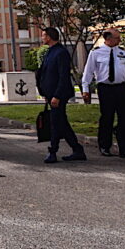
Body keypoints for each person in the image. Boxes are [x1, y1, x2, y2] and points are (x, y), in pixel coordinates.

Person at [81, 28, 125, 159]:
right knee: (107, 117)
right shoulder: (96, 53)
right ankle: (105, 146)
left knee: (124, 118)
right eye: (117, 38)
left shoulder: (123, 53)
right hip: (106, 88)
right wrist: (85, 89)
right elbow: (88, 72)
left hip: (121, 88)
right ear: (108, 39)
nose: (119, 40)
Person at [35, 27, 86, 164]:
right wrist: (45, 93)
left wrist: (57, 95)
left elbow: (63, 76)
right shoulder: (50, 52)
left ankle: (53, 151)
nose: (42, 38)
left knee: (56, 123)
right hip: (51, 94)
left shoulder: (61, 53)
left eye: (44, 35)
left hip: (59, 95)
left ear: (49, 37)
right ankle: (77, 149)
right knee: (61, 122)